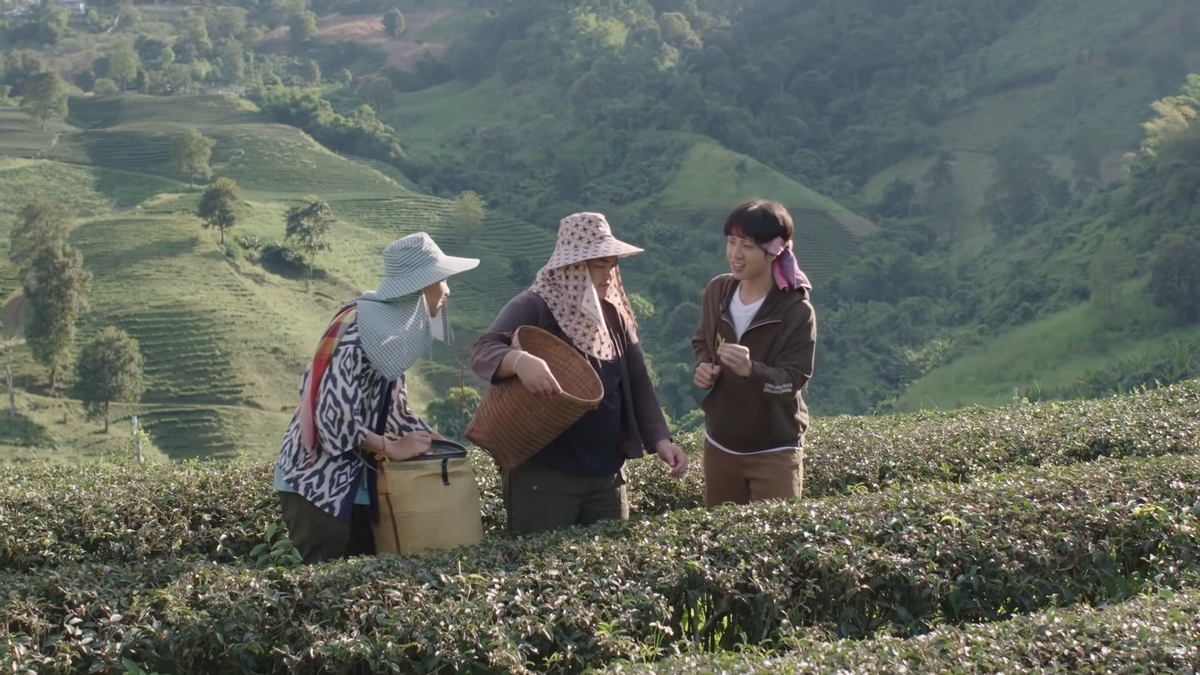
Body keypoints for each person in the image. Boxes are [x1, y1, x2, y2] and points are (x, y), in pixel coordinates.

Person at [470, 212, 688, 535]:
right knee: (540, 573)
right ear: (574, 267)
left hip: (606, 477)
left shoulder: (613, 315)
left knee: (609, 570)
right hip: (544, 477)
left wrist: (660, 440)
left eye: (612, 264)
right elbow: (482, 349)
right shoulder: (535, 306)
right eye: (600, 265)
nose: (609, 274)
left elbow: (638, 382)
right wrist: (519, 361)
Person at [273, 232, 479, 564]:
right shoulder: (359, 333)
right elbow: (332, 417)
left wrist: (433, 439)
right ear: (420, 285)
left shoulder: (388, 334)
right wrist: (390, 447)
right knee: (326, 591)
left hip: (356, 483)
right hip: (318, 484)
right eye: (441, 280)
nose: (447, 290)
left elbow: (394, 409)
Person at [691, 199, 817, 507]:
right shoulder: (718, 292)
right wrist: (705, 366)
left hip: (774, 450)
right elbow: (701, 342)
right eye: (732, 242)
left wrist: (752, 370)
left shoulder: (795, 310)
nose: (735, 254)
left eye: (746, 245)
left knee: (775, 543)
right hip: (720, 445)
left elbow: (792, 381)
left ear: (774, 250)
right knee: (720, 542)